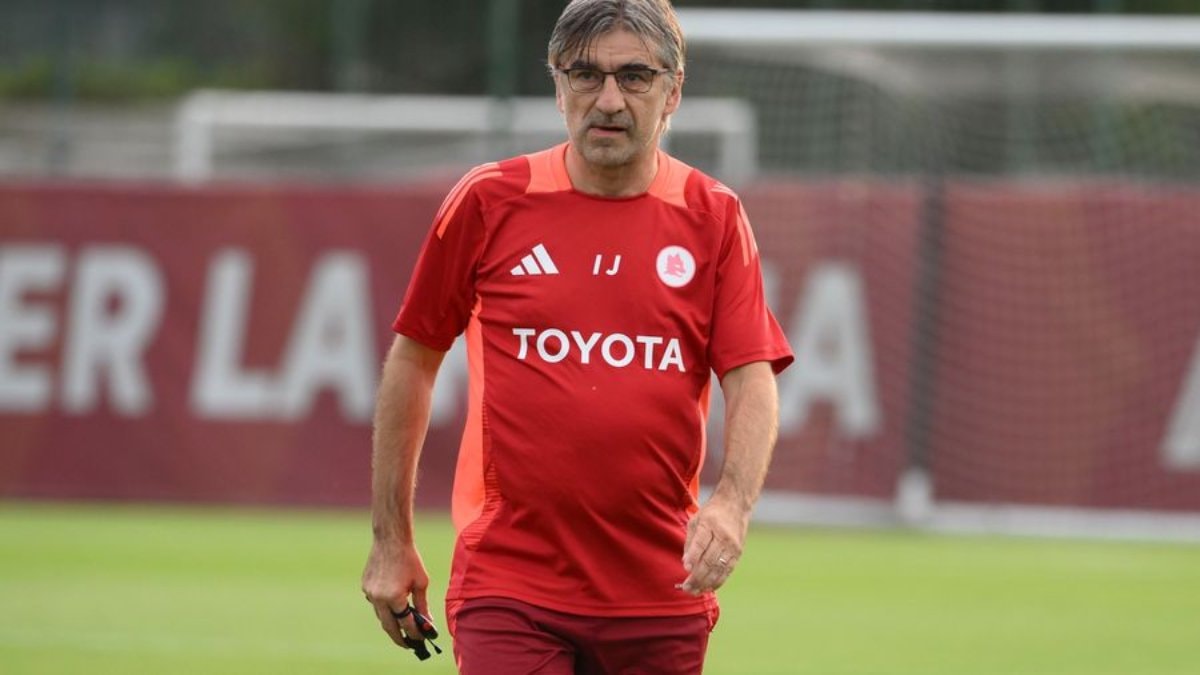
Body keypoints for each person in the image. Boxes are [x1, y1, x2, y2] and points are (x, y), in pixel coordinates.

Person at [361, 0, 793, 672]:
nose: (609, 100)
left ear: (674, 91)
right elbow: (413, 359)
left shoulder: (713, 215)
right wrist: (392, 540)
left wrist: (733, 506)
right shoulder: (489, 199)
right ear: (558, 86)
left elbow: (751, 375)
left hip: (663, 590)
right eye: (586, 75)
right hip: (510, 585)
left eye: (635, 76)